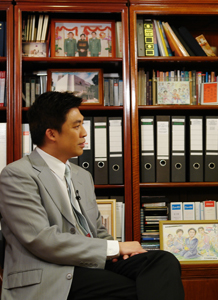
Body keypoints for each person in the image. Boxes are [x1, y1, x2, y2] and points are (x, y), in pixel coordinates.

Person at [0, 91, 185, 300]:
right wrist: (116, 247)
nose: (84, 133)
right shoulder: (18, 174)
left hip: (89, 264)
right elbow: (42, 240)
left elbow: (97, 231)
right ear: (52, 134)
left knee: (163, 261)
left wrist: (121, 253)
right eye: (76, 126)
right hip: (52, 273)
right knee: (142, 290)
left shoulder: (81, 176)